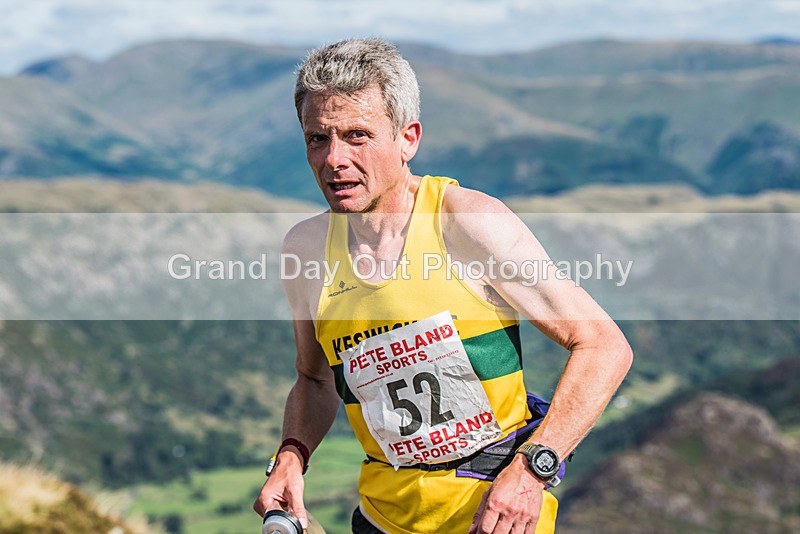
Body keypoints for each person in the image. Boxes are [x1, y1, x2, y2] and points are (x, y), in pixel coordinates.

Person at [253, 38, 633, 534]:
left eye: (357, 135)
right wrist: (292, 453)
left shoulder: (467, 221)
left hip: (495, 518)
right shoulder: (305, 250)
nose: (334, 159)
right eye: (317, 139)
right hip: (380, 520)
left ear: (408, 139)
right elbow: (315, 379)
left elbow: (603, 345)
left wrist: (533, 469)